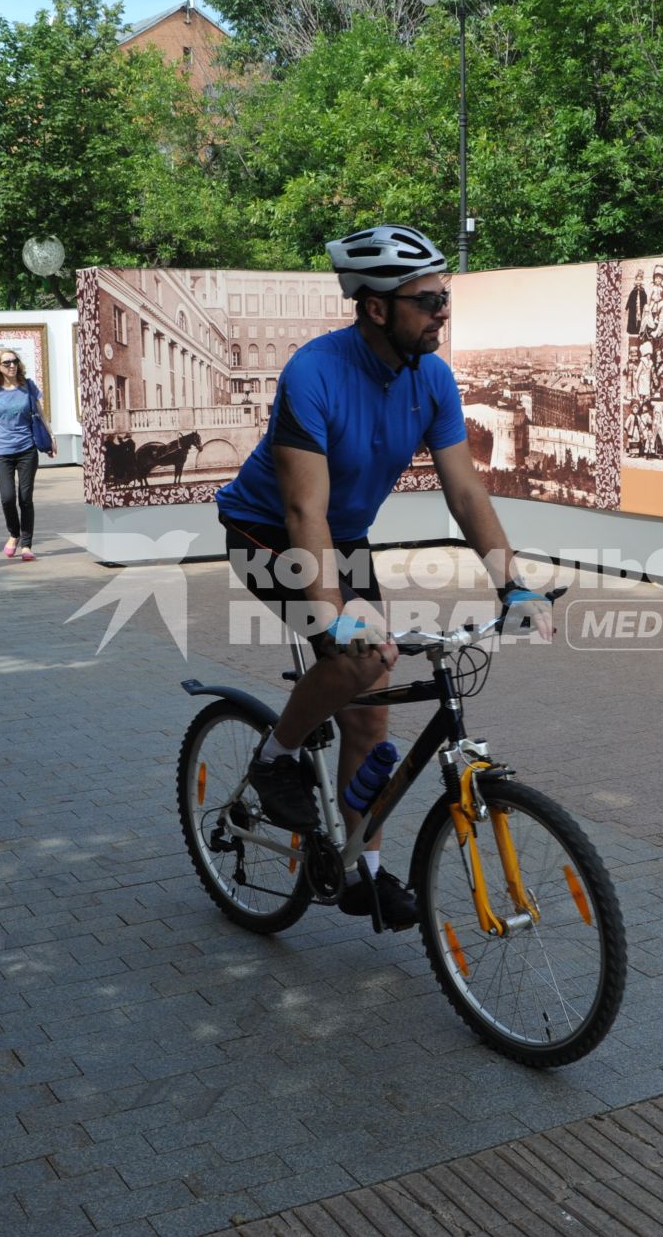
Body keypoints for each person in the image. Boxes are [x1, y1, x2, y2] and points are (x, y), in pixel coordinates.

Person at [212, 223, 553, 932]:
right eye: (428, 300)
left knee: (371, 710)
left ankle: (360, 864)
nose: (442, 311)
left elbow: (465, 494)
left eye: (445, 296)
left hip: (343, 536)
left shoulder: (432, 378)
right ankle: (275, 760)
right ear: (376, 308)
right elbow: (304, 506)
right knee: (363, 654)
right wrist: (334, 616)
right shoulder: (313, 372)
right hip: (266, 531)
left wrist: (511, 583)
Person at [0, 348, 54, 562]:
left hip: (27, 449)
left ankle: (27, 544)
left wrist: (51, 436)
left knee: (25, 498)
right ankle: (14, 533)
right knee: (7, 498)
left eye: (14, 361)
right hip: (2, 452)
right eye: (6, 363)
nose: (12, 365)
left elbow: (40, 413)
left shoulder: (28, 386)